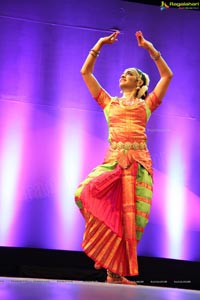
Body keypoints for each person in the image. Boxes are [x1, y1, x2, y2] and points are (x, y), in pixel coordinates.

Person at [75, 30, 173, 285]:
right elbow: (86, 73)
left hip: (139, 165)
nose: (124, 75)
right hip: (113, 162)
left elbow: (167, 75)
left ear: (139, 84)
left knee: (133, 221)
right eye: (123, 73)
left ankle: (114, 273)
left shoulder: (147, 104)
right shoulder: (109, 103)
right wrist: (98, 45)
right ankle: (108, 261)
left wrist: (150, 49)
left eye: (130, 74)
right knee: (83, 193)